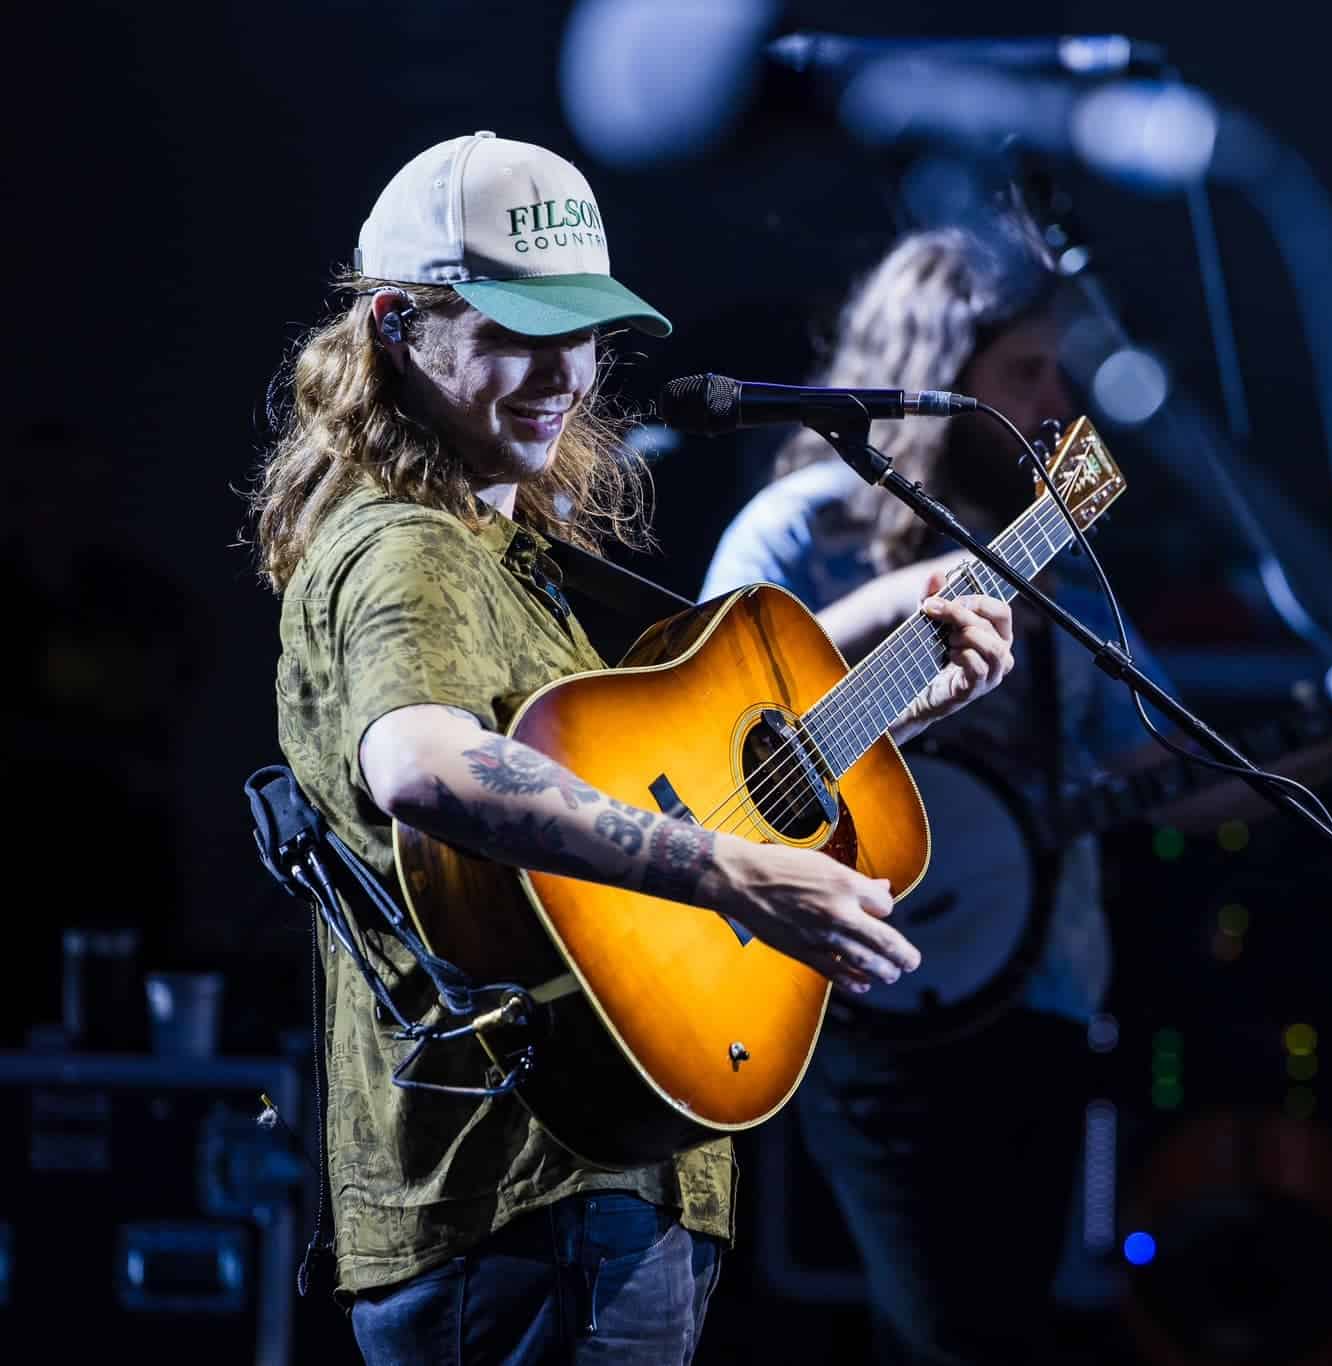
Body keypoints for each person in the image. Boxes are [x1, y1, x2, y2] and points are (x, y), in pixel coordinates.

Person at [246, 130, 1017, 1366]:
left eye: (585, 330)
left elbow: (666, 794)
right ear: (396, 325)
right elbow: (424, 764)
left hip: (590, 1185)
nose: (565, 371)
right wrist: (728, 872)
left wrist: (888, 702)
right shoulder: (404, 547)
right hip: (520, 1201)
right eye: (515, 330)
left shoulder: (505, 556)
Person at [699, 219, 1332, 1364]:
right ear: (937, 372)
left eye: (1055, 370)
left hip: (1040, 1004)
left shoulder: (1064, 573)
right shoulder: (798, 534)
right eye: (1023, 371)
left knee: (1006, 1326)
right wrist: (927, 589)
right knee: (944, 1330)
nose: (1051, 397)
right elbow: (715, 730)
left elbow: (1163, 781)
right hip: (858, 1014)